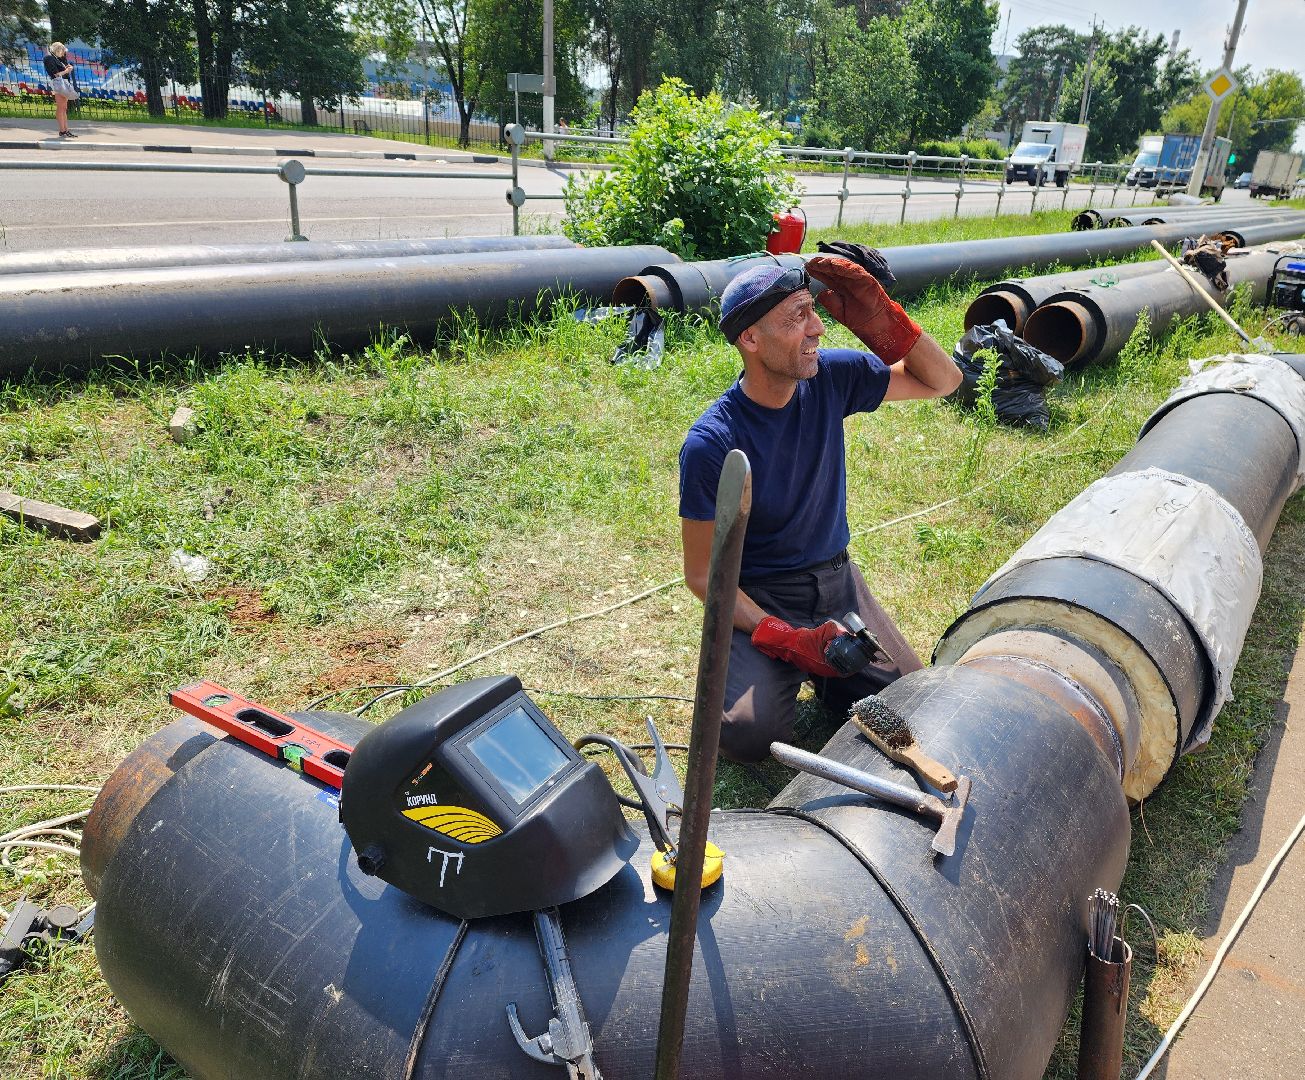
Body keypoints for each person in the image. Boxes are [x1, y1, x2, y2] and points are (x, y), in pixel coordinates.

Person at [678, 255, 963, 763]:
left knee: (914, 703)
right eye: (796, 317)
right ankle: (778, 662)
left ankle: (831, 675)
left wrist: (888, 321)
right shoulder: (712, 443)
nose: (817, 328)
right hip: (761, 597)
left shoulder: (830, 377)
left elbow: (944, 382)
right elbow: (702, 576)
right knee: (747, 736)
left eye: (813, 310)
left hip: (837, 583)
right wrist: (784, 638)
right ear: (750, 339)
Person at [43, 42, 78, 139]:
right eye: (62, 51)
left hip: (64, 83)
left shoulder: (58, 58)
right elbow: (55, 74)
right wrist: (67, 71)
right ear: (58, 49)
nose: (63, 54)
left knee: (64, 108)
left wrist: (68, 67)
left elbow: (63, 68)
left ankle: (65, 130)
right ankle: (62, 131)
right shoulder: (49, 58)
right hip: (58, 83)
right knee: (61, 107)